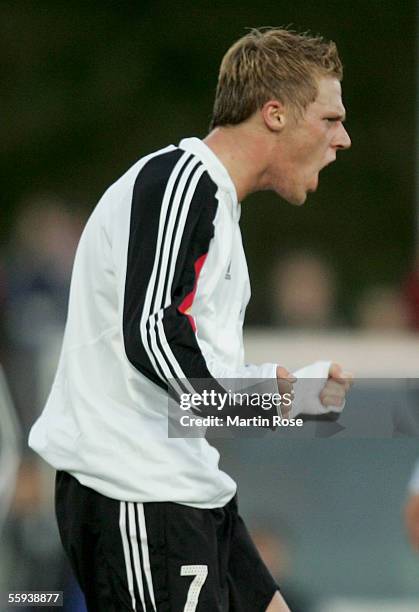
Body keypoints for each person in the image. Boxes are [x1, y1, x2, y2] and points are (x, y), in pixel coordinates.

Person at [29, 27, 351, 611]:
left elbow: (188, 375)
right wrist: (254, 400)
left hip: (189, 491)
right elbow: (152, 336)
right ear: (275, 114)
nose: (344, 138)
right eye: (330, 120)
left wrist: (289, 395)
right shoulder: (182, 182)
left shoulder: (217, 210)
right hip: (137, 491)